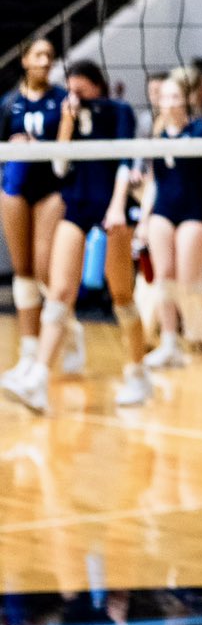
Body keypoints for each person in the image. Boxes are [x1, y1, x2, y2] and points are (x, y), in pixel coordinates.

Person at [0, 61, 146, 413]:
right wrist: (66, 121)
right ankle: (37, 379)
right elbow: (59, 167)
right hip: (77, 206)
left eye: (81, 90)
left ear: (97, 85)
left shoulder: (118, 111)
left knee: (122, 296)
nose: (74, 96)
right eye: (71, 90)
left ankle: (138, 373)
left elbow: (126, 161)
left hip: (110, 208)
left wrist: (116, 207)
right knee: (60, 291)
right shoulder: (70, 114)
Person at [138, 69, 202, 367]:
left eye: (175, 96)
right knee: (163, 278)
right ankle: (169, 342)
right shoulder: (156, 135)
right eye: (165, 96)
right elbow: (153, 181)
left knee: (189, 282)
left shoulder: (200, 131)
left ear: (186, 100)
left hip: (193, 211)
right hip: (163, 210)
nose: (169, 102)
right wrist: (144, 220)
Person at [3, 38, 67, 380]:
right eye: (39, 55)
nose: (45, 61)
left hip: (50, 189)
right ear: (25, 59)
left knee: (44, 270)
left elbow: (67, 150)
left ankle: (69, 332)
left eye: (50, 56)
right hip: (14, 188)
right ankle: (28, 355)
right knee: (23, 269)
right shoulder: (8, 103)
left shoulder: (61, 101)